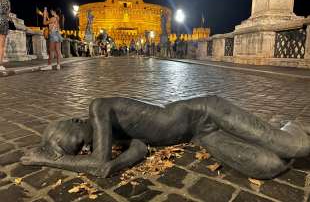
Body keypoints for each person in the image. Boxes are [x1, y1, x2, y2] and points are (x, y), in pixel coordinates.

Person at [21, 96, 310, 180]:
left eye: (77, 144)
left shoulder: (98, 108)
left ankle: (288, 127)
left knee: (296, 147)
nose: (84, 149)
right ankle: (283, 126)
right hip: (200, 135)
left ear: (75, 122)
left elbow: (97, 163)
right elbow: (138, 148)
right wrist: (117, 163)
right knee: (269, 165)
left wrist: (52, 160)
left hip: (206, 112)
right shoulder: (106, 138)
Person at [0, 0, 11, 71]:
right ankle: (0, 65)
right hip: (3, 22)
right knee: (1, 46)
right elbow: (8, 13)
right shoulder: (6, 1)